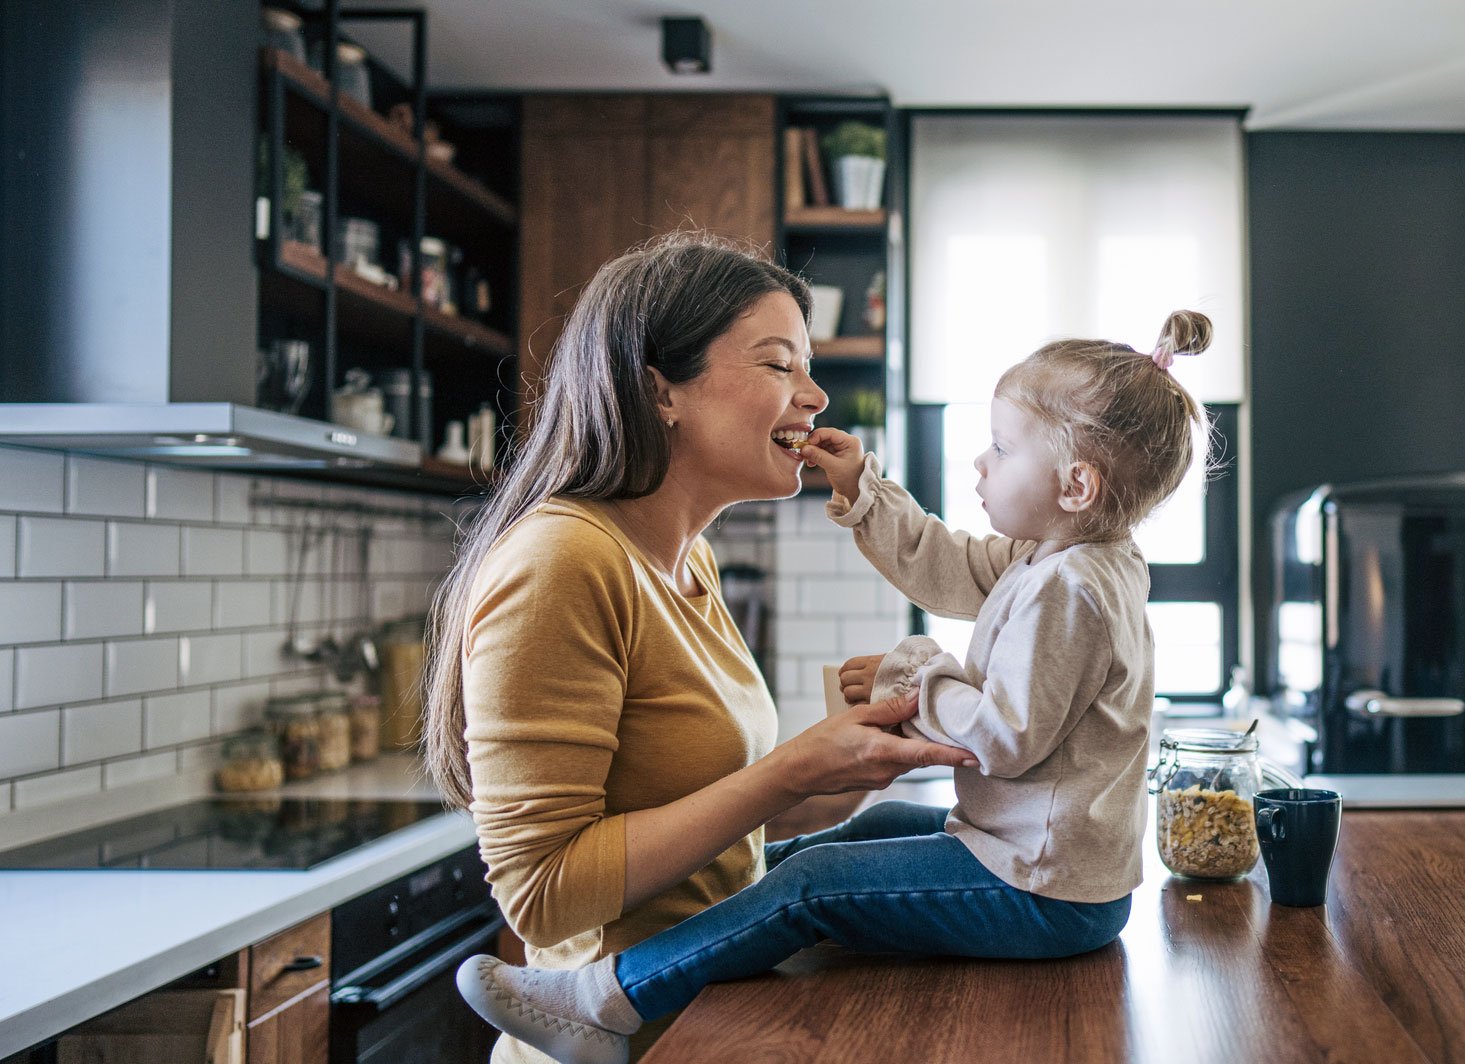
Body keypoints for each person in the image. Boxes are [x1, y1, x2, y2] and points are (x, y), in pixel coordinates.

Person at [456, 307, 1216, 1064]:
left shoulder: (1070, 583)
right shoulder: (1059, 557)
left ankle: (604, 1002)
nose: (980, 465)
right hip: (1035, 865)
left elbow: (1006, 740)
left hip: (1040, 885)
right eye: (780, 363)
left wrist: (915, 673)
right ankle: (719, 933)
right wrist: (865, 490)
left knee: (818, 879)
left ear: (1077, 484)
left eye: (1000, 447)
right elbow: (946, 567)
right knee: (862, 839)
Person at [422, 231, 979, 1064]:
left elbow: (721, 828)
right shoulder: (562, 560)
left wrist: (841, 770)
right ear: (659, 390)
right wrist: (791, 767)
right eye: (777, 364)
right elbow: (540, 896)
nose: (815, 395)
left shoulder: (690, 562)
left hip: (709, 1029)